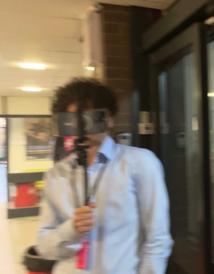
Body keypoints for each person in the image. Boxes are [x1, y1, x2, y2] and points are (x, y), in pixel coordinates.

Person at [37, 78, 173, 274]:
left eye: (90, 118)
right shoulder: (55, 175)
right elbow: (44, 246)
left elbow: (157, 239)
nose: (82, 128)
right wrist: (71, 230)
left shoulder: (140, 163)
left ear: (109, 119)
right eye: (73, 120)